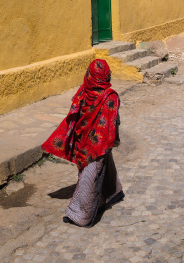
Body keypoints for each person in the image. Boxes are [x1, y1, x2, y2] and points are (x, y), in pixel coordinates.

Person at [42, 58, 124, 227]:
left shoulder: (108, 97)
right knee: (102, 167)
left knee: (89, 175)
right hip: (87, 139)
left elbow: (112, 119)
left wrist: (110, 140)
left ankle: (80, 214)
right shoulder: (89, 92)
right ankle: (113, 192)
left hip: (96, 144)